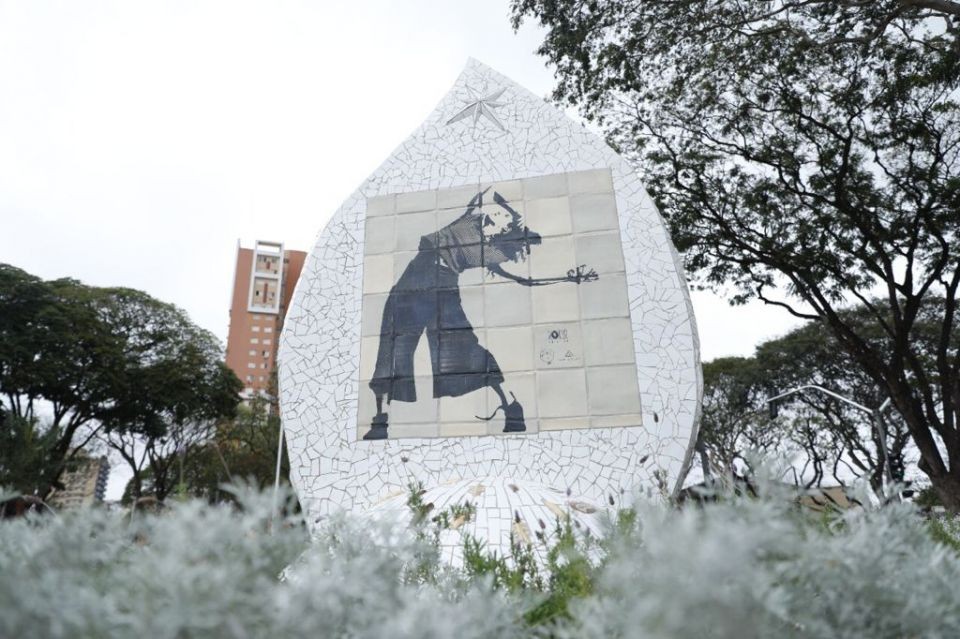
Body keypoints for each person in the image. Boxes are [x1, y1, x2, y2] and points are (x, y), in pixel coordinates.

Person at [364, 189, 597, 440]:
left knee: (460, 349)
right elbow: (483, 198)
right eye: (499, 218)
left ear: (508, 235)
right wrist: (501, 207)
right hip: (417, 286)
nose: (496, 222)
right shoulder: (473, 222)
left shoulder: (491, 251)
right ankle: (381, 421)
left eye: (504, 223)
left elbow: (527, 279)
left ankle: (512, 407)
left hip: (435, 286)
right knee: (396, 349)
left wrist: (568, 278)